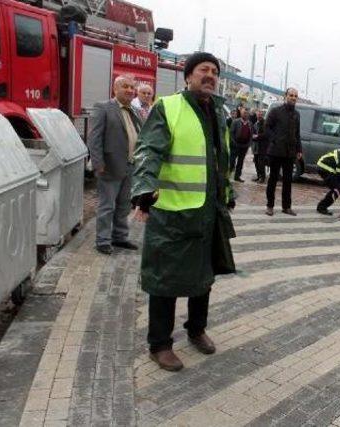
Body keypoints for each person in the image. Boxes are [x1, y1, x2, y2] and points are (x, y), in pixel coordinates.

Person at [131, 52, 236, 372]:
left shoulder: (219, 112)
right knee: (165, 280)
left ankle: (197, 329)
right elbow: (149, 150)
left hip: (207, 212)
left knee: (203, 276)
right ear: (188, 76)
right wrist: (144, 190)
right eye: (203, 70)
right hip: (173, 213)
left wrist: (226, 193)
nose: (210, 75)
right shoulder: (169, 107)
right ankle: (159, 345)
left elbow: (222, 159)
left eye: (215, 71)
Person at [87, 75, 141, 255]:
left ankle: (120, 237)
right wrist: (98, 163)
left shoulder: (133, 110)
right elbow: (94, 138)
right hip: (109, 166)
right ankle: (102, 240)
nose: (130, 90)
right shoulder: (103, 107)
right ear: (115, 89)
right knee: (107, 206)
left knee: (124, 205)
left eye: (132, 87)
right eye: (125, 86)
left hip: (130, 165)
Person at [265, 88, 303, 216]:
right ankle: (270, 206)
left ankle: (286, 207)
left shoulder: (297, 114)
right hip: (276, 151)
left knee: (288, 181)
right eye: (291, 95)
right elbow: (267, 127)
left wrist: (299, 150)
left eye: (295, 96)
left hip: (289, 153)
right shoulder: (276, 111)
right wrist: (274, 140)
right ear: (285, 96)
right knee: (273, 180)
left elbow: (297, 134)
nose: (293, 98)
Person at [230, 108, 253, 182]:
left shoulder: (250, 124)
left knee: (240, 162)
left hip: (244, 146)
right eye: (244, 113)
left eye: (246, 113)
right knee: (232, 161)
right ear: (241, 113)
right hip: (235, 145)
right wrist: (233, 143)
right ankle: (227, 175)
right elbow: (231, 133)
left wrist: (248, 144)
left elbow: (251, 135)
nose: (245, 114)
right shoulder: (236, 122)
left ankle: (237, 176)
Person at [251, 109, 268, 183]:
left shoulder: (265, 123)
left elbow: (266, 135)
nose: (259, 116)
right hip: (255, 147)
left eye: (260, 114)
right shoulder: (255, 123)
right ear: (256, 115)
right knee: (256, 162)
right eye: (258, 114)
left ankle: (262, 177)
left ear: (262, 115)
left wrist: (257, 136)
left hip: (262, 147)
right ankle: (258, 176)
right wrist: (252, 137)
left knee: (261, 163)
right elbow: (252, 133)